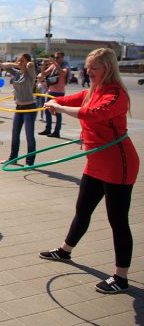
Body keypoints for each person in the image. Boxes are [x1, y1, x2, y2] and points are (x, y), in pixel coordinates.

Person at [39, 48, 140, 294]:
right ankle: (65, 250)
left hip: (118, 164)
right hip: (95, 162)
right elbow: (71, 100)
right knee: (82, 210)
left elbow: (91, 114)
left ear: (108, 68)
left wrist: (60, 109)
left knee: (118, 221)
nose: (89, 72)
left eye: (95, 68)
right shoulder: (93, 91)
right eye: (88, 67)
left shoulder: (117, 94)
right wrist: (54, 101)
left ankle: (121, 276)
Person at [0, 54, 37, 166]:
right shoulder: (17, 73)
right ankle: (13, 158)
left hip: (29, 107)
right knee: (15, 134)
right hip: (18, 107)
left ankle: (30, 162)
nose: (20, 63)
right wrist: (18, 64)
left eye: (22, 61)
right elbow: (2, 65)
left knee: (29, 135)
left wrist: (28, 64)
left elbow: (31, 67)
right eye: (19, 61)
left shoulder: (30, 74)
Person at [39, 52, 68, 138]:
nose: (56, 59)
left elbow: (63, 73)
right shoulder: (53, 66)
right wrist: (43, 66)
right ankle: (48, 129)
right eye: (55, 57)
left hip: (59, 92)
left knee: (58, 112)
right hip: (50, 90)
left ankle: (56, 131)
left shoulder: (65, 66)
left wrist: (55, 63)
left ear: (62, 58)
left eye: (58, 57)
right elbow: (43, 74)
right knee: (47, 110)